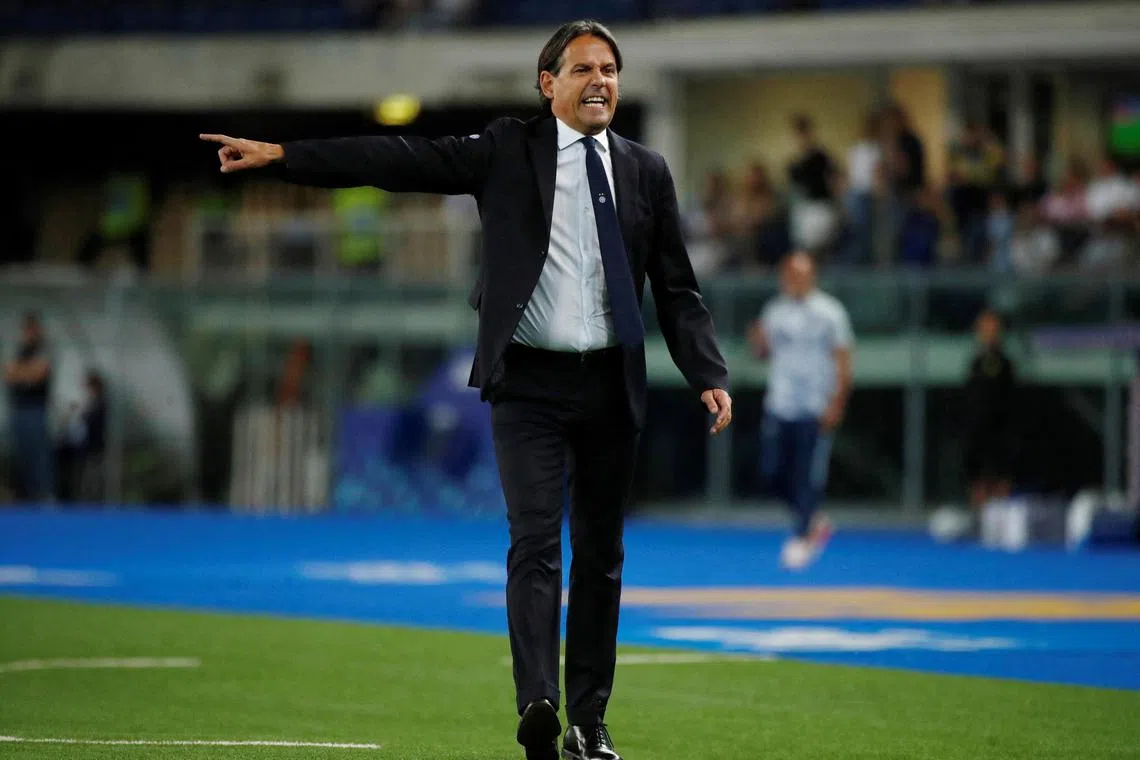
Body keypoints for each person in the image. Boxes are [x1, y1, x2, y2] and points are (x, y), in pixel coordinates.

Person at [200, 20, 731, 760]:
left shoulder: (646, 170)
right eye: (583, 69)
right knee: (535, 542)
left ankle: (590, 720)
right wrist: (287, 156)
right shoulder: (507, 150)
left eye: (609, 69)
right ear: (548, 84)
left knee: (602, 556)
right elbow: (398, 159)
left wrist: (707, 371)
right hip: (529, 385)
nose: (600, 81)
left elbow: (677, 287)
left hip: (611, 386)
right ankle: (538, 701)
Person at [747, 252, 853, 570]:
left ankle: (802, 535)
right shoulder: (775, 311)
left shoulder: (830, 312)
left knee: (807, 475)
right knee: (772, 471)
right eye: (790, 274)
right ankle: (812, 519)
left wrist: (837, 402)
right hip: (781, 402)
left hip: (814, 404)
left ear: (812, 276)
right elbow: (763, 353)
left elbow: (843, 358)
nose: (795, 280)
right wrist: (757, 341)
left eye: (801, 274)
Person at [962, 309, 1017, 513]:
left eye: (992, 328)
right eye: (984, 328)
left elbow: (1010, 397)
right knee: (977, 470)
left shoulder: (1005, 364)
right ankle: (978, 514)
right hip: (977, 427)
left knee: (1001, 470)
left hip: (1001, 428)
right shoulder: (975, 363)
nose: (988, 333)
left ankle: (1000, 515)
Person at [4, 311, 55, 502]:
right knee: (21, 453)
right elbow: (8, 374)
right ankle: (24, 494)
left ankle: (44, 494)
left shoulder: (44, 348)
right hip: (19, 408)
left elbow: (39, 373)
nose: (29, 333)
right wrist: (26, 372)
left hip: (36, 408)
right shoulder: (19, 349)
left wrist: (21, 372)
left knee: (39, 454)